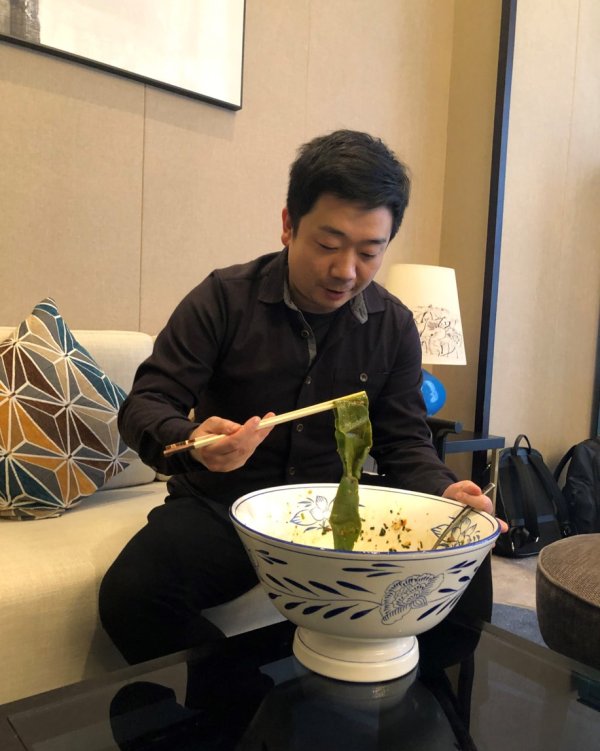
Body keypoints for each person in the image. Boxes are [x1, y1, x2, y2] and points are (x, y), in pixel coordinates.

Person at [99, 129, 502, 666]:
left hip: (340, 508)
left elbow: (405, 441)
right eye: (329, 245)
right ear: (289, 224)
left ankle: (423, 707)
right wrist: (194, 440)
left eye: (369, 252)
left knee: (466, 556)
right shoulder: (223, 299)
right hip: (226, 508)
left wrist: (446, 491)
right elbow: (146, 404)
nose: (346, 271)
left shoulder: (394, 325)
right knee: (132, 595)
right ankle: (243, 700)